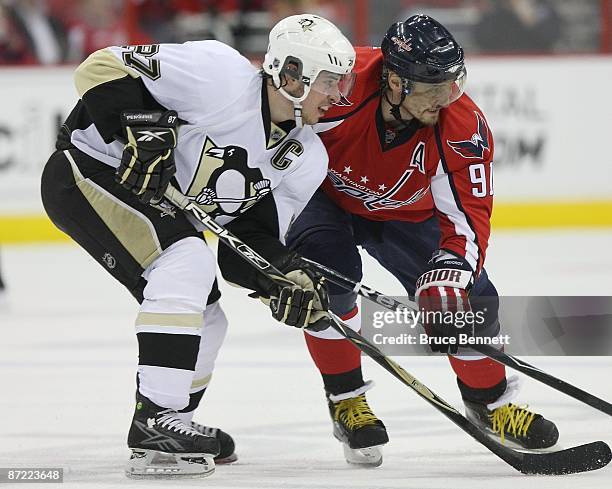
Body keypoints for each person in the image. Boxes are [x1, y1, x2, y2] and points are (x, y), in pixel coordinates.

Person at [40, 13, 355, 478]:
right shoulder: (218, 74)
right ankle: (156, 420)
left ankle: (169, 429)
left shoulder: (306, 158)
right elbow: (98, 68)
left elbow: (241, 245)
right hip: (87, 168)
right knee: (185, 257)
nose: (339, 95)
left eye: (342, 82)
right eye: (329, 81)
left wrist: (283, 275)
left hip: (148, 202)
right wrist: (142, 131)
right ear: (291, 75)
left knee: (210, 317)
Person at [286, 14, 560, 466]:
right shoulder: (338, 83)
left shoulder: (462, 124)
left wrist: (450, 274)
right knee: (326, 281)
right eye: (431, 86)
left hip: (404, 215)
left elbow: (469, 217)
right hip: (321, 199)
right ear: (393, 79)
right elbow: (271, 122)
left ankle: (489, 404)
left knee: (472, 299)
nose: (445, 97)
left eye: (451, 83)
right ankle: (346, 399)